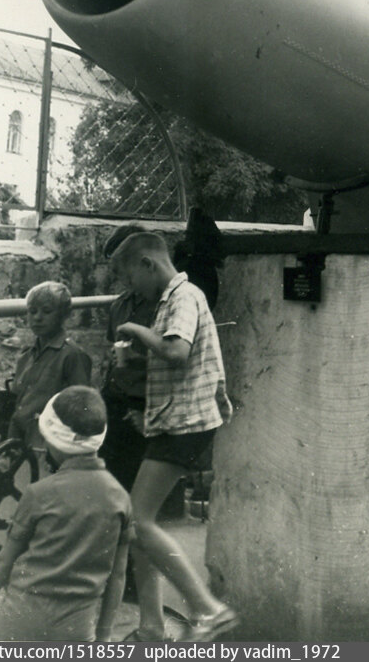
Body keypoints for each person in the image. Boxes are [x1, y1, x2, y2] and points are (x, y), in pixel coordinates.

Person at [110, 231, 237, 641]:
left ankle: (207, 609)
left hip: (188, 421)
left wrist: (134, 329)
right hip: (173, 418)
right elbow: (169, 367)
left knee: (138, 519)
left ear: (148, 264)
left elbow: (176, 352)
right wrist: (132, 361)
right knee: (137, 525)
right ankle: (151, 627)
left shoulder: (184, 296)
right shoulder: (168, 302)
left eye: (130, 279)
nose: (131, 290)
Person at [0, 386, 132, 641]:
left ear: (53, 440)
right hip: (76, 633)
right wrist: (103, 637)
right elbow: (117, 576)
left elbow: (5, 561)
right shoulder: (120, 499)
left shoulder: (39, 493)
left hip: (16, 625)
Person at [4, 282, 92, 459]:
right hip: (18, 443)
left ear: (63, 315)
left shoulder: (72, 356)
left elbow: (81, 410)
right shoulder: (26, 357)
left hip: (48, 449)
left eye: (46, 311)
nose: (37, 317)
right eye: (32, 311)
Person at [99, 223, 155, 491]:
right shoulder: (119, 306)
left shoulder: (163, 304)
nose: (118, 276)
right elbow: (113, 351)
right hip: (116, 400)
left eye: (121, 267)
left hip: (145, 404)